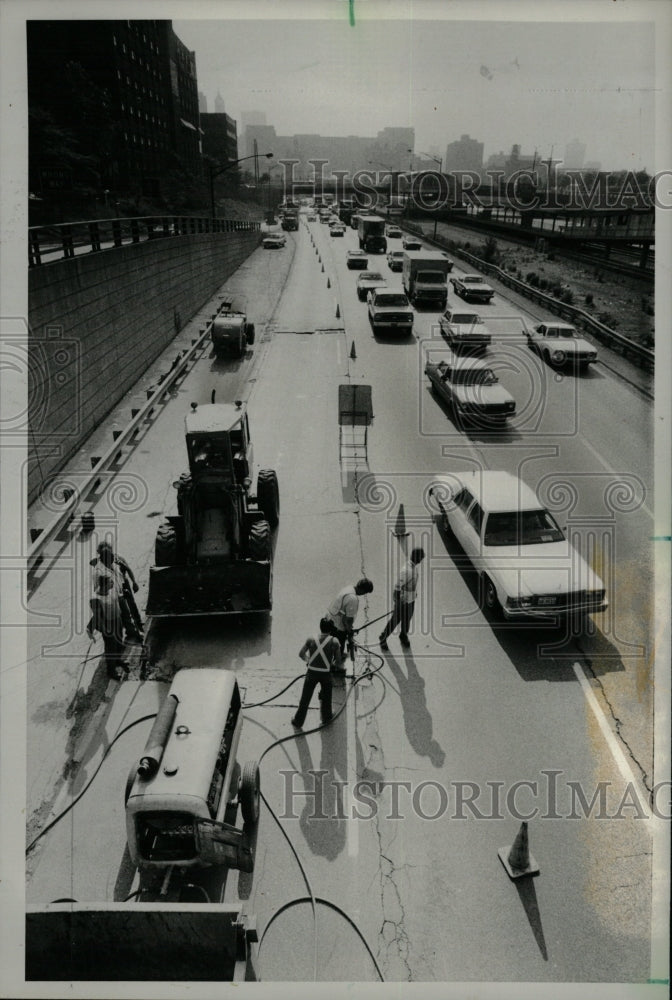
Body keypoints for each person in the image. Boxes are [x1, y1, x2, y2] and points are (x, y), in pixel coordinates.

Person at [291, 619, 342, 729]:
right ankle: (326, 717)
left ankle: (298, 721)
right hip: (325, 675)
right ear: (330, 629)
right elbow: (338, 662)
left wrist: (308, 660)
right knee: (327, 697)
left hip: (311, 673)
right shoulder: (334, 641)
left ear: (320, 627)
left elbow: (301, 654)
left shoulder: (311, 639)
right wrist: (331, 664)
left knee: (305, 698)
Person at [91, 541, 143, 641]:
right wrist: (106, 588)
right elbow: (96, 589)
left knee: (127, 613)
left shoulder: (114, 562)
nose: (113, 562)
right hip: (110, 598)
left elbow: (119, 575)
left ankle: (132, 632)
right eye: (110, 560)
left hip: (120, 593)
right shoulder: (98, 572)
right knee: (117, 619)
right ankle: (118, 641)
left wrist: (125, 588)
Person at [379, 547, 425, 651]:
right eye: (421, 558)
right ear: (416, 558)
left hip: (410, 600)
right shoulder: (406, 570)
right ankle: (383, 637)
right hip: (403, 601)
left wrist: (413, 594)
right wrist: (398, 602)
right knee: (395, 620)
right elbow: (397, 588)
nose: (421, 560)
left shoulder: (413, 567)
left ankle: (403, 635)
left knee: (407, 619)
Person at [87, 575, 129, 680]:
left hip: (117, 620)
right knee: (111, 647)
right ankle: (111, 671)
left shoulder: (111, 591)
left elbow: (118, 601)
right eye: (110, 582)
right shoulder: (95, 599)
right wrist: (104, 629)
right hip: (107, 624)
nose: (112, 583)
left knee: (119, 642)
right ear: (104, 585)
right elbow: (97, 617)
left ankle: (117, 660)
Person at [323, 578, 374, 662]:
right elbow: (347, 620)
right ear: (363, 590)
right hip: (337, 626)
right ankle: (336, 666)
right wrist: (349, 631)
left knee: (329, 644)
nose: (364, 594)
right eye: (365, 592)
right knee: (338, 647)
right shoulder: (352, 599)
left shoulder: (348, 588)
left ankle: (329, 659)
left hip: (329, 619)